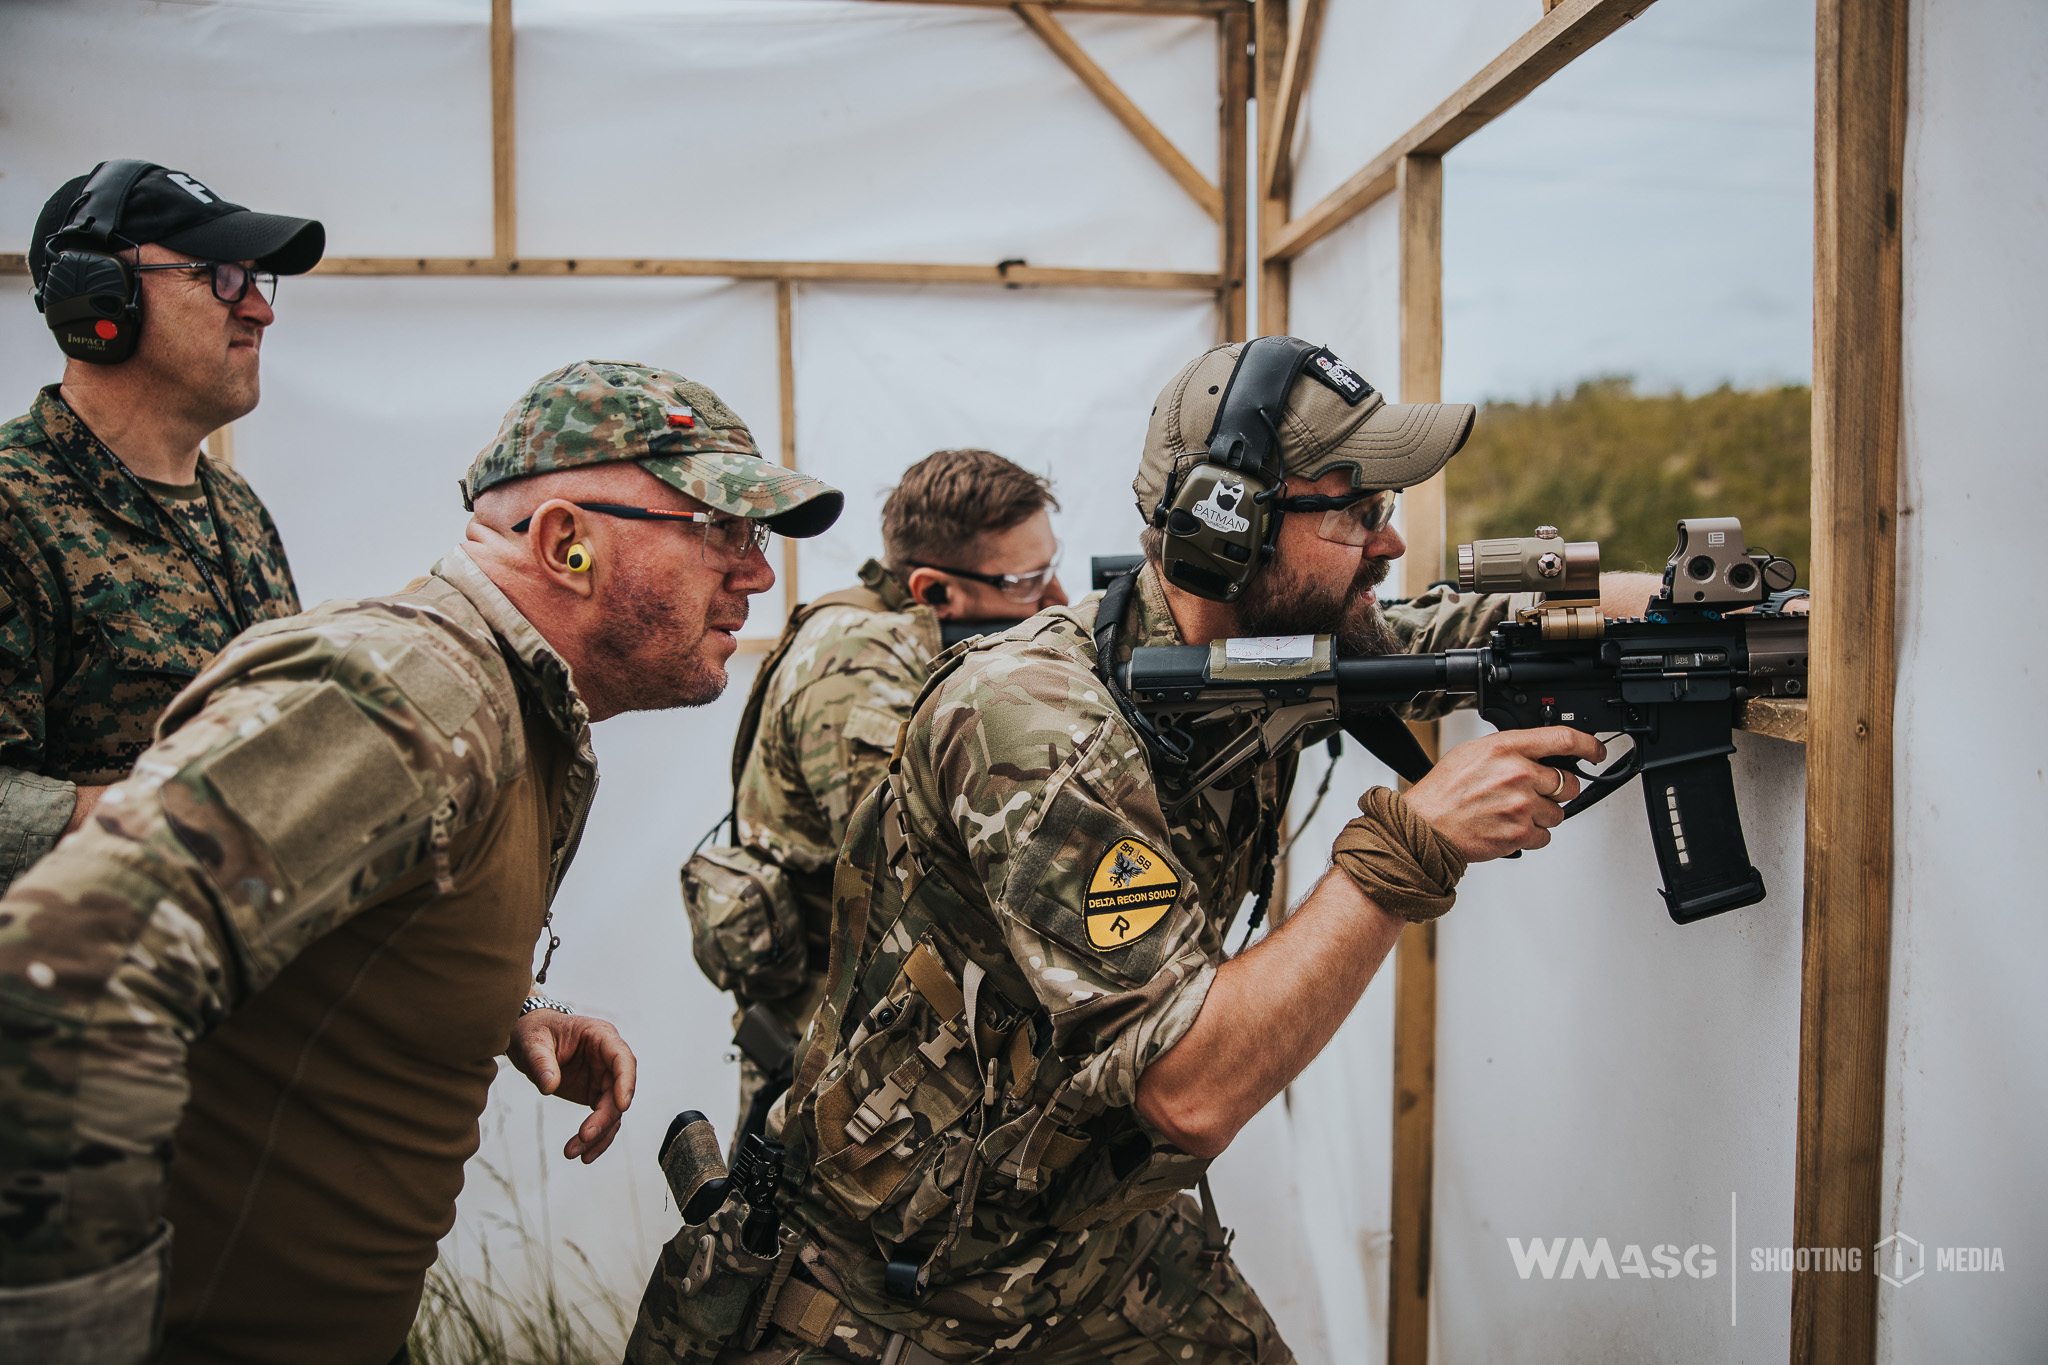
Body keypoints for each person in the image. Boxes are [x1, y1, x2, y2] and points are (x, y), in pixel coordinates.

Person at [625, 337, 1658, 1363]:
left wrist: (1706, 606)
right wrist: (1410, 844)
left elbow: (1449, 629)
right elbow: (1190, 1089)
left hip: (1097, 1237)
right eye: (1355, 511)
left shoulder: (1240, 651)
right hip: (906, 1292)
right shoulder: (1029, 721)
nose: (1386, 544)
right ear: (1227, 532)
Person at [0, 361, 844, 1365]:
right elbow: (65, 974)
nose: (755, 572)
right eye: (721, 531)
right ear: (565, 542)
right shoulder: (401, 693)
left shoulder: (509, 708)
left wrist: (495, 1003)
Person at [692, 448, 1066, 1139]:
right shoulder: (855, 667)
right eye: (1028, 580)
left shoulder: (913, 644)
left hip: (893, 1059)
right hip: (836, 1087)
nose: (1058, 600)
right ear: (933, 592)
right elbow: (926, 882)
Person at [0, 160, 324, 892]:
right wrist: (172, 813)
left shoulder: (237, 511)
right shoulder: (12, 505)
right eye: (221, 276)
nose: (259, 310)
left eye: (256, 280)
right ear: (98, 295)